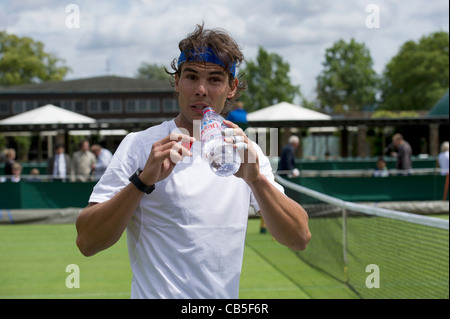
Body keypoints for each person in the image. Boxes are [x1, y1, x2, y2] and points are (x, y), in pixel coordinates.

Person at [75, 24, 310, 299]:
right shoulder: (139, 145)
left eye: (214, 79)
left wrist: (256, 181)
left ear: (231, 87)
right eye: (191, 76)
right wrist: (142, 181)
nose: (201, 89)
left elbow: (299, 237)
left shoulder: (246, 151)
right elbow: (87, 241)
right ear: (176, 81)